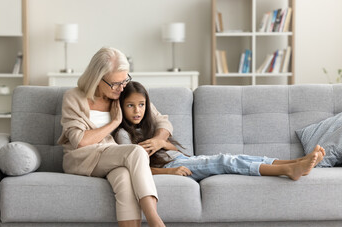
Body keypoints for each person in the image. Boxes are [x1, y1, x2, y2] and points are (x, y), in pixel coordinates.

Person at [58, 47, 175, 227]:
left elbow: (162, 121)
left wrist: (158, 139)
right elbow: (79, 141)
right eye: (115, 83)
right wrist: (114, 122)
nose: (121, 88)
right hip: (84, 159)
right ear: (97, 78)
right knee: (136, 153)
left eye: (124, 80)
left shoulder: (121, 94)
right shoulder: (75, 97)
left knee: (124, 179)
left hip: (113, 158)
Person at [113, 81, 326, 181]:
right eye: (130, 105)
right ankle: (288, 170)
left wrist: (161, 142)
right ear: (121, 106)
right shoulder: (124, 135)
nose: (137, 110)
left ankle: (294, 163)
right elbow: (136, 168)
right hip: (175, 166)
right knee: (226, 161)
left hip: (182, 159)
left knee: (236, 157)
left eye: (141, 105)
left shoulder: (148, 125)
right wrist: (170, 172)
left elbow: (169, 145)